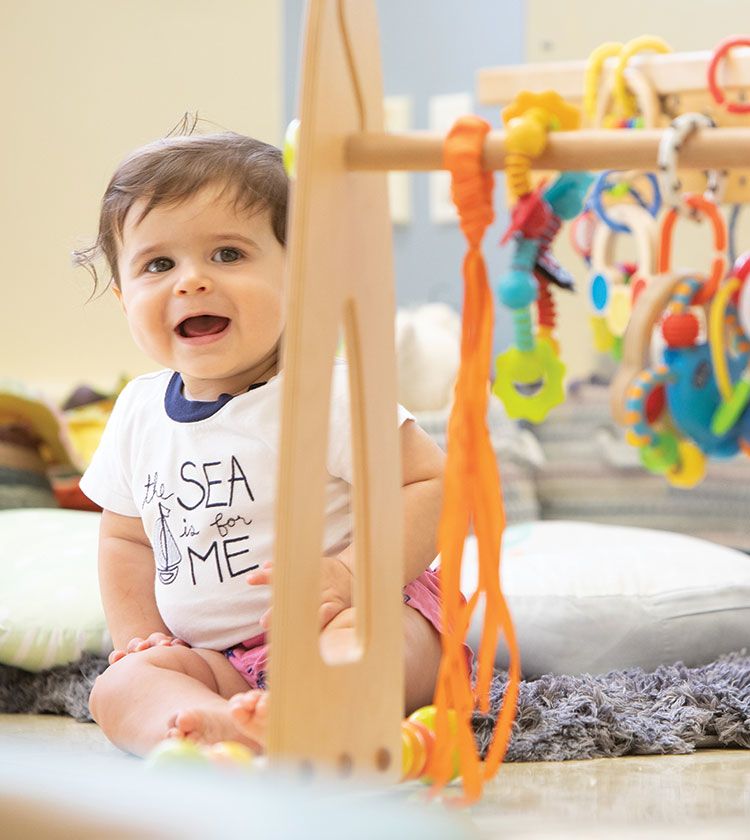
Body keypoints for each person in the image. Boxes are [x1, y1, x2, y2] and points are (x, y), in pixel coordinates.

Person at [77, 131, 452, 758]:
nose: (191, 282)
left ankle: (320, 711)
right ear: (123, 297)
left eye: (227, 253)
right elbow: (126, 538)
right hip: (221, 659)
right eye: (158, 265)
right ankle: (211, 730)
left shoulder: (325, 394)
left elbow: (432, 484)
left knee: (375, 641)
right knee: (118, 687)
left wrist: (352, 575)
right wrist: (143, 637)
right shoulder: (138, 412)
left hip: (348, 615)